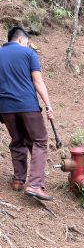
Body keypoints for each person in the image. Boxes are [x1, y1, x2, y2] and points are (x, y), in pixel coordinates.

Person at [0, 26, 53, 201]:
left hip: (5, 107)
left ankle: (18, 180)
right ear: (22, 40)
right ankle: (35, 185)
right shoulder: (28, 53)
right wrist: (48, 105)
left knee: (17, 141)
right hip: (27, 104)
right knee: (40, 141)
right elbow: (37, 81)